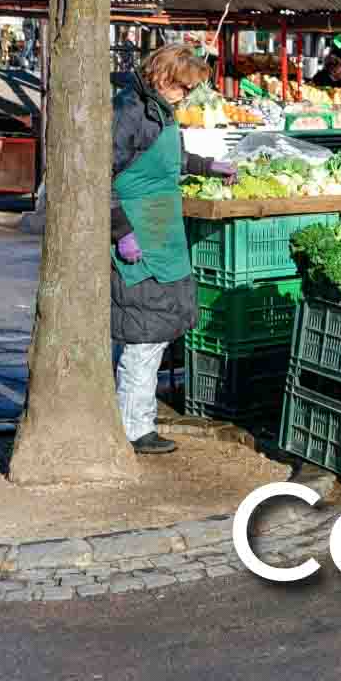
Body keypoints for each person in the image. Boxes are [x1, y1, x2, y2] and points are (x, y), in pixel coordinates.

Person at [112, 45, 235, 455]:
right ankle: (134, 426)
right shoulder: (128, 109)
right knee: (143, 334)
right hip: (138, 230)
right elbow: (98, 172)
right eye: (183, 88)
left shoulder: (156, 108)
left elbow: (166, 156)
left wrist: (205, 165)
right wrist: (121, 229)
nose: (186, 96)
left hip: (161, 226)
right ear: (163, 77)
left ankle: (133, 416)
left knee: (158, 326)